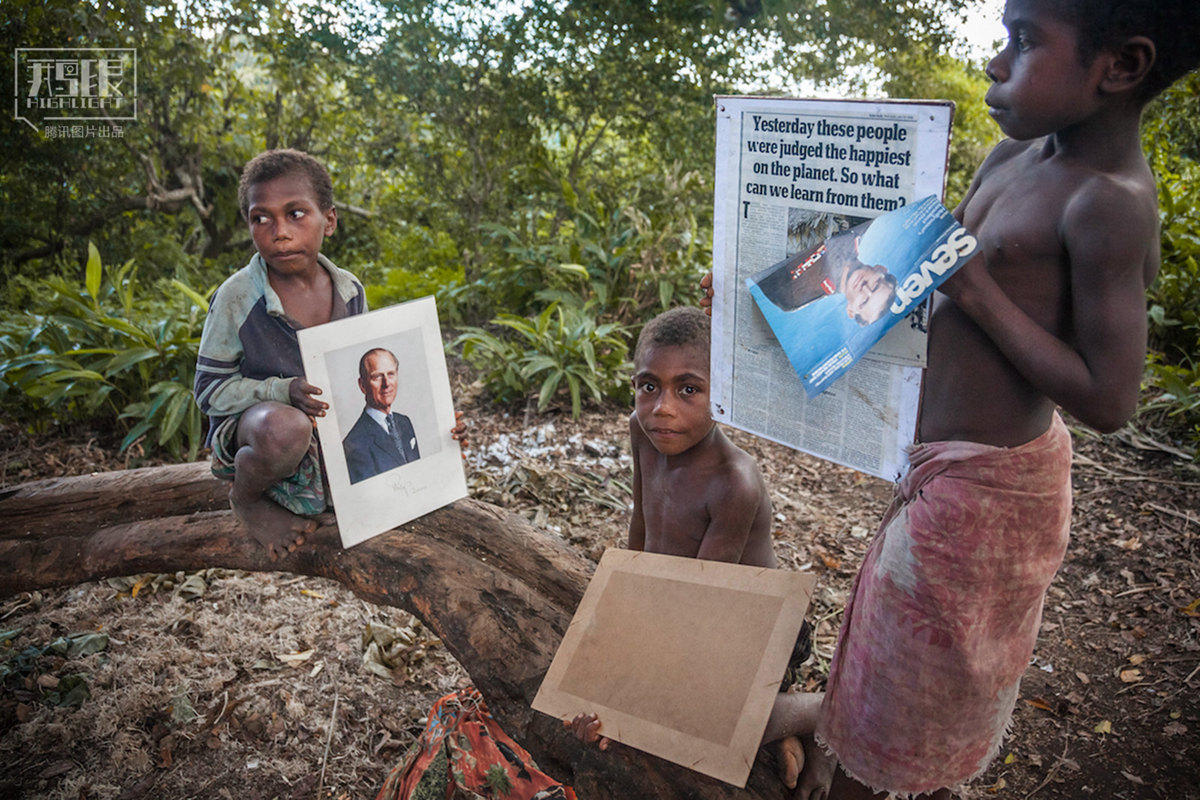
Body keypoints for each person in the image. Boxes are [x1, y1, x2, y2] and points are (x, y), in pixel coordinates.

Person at [705, 2, 1200, 797]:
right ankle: (841, 731)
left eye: (1025, 42)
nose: (995, 64)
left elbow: (1110, 400)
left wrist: (975, 292)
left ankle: (862, 767)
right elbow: (908, 273)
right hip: (933, 471)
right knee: (896, 663)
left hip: (990, 496)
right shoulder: (1012, 157)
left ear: (1121, 67)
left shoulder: (1108, 204)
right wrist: (759, 307)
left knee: (921, 692)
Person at [564, 307, 813, 787]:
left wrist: (627, 689)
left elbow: (701, 613)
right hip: (683, 602)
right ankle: (774, 726)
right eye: (649, 386)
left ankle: (808, 713)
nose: (662, 408)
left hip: (750, 625)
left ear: (722, 394)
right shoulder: (642, 432)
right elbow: (641, 523)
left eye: (689, 390)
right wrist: (620, 613)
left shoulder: (733, 482)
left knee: (684, 717)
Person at [195, 149, 465, 559]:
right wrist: (282, 390)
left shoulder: (349, 291)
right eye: (261, 218)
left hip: (326, 435)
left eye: (296, 214)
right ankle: (246, 499)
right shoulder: (237, 297)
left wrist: (440, 427)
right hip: (261, 433)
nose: (279, 232)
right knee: (286, 428)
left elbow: (362, 377)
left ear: (330, 220)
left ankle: (326, 488)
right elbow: (208, 390)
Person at [754, 230, 898, 326]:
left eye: (864, 301)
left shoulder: (794, 298)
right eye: (876, 285)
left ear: (850, 311)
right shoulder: (857, 228)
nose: (864, 288)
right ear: (880, 269)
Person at [343, 347, 421, 484]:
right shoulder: (354, 445)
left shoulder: (404, 421)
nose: (387, 383)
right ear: (362, 385)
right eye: (377, 377)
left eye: (391, 374)